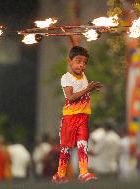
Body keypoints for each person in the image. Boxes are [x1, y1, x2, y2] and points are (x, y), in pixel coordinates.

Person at [52, 46, 103, 183]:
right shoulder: (66, 78)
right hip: (70, 117)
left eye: (85, 62)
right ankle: (60, 174)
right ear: (69, 61)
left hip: (83, 117)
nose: (82, 65)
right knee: (66, 148)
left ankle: (84, 172)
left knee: (83, 145)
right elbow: (71, 97)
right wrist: (88, 89)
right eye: (78, 61)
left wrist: (90, 89)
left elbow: (83, 91)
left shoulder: (83, 75)